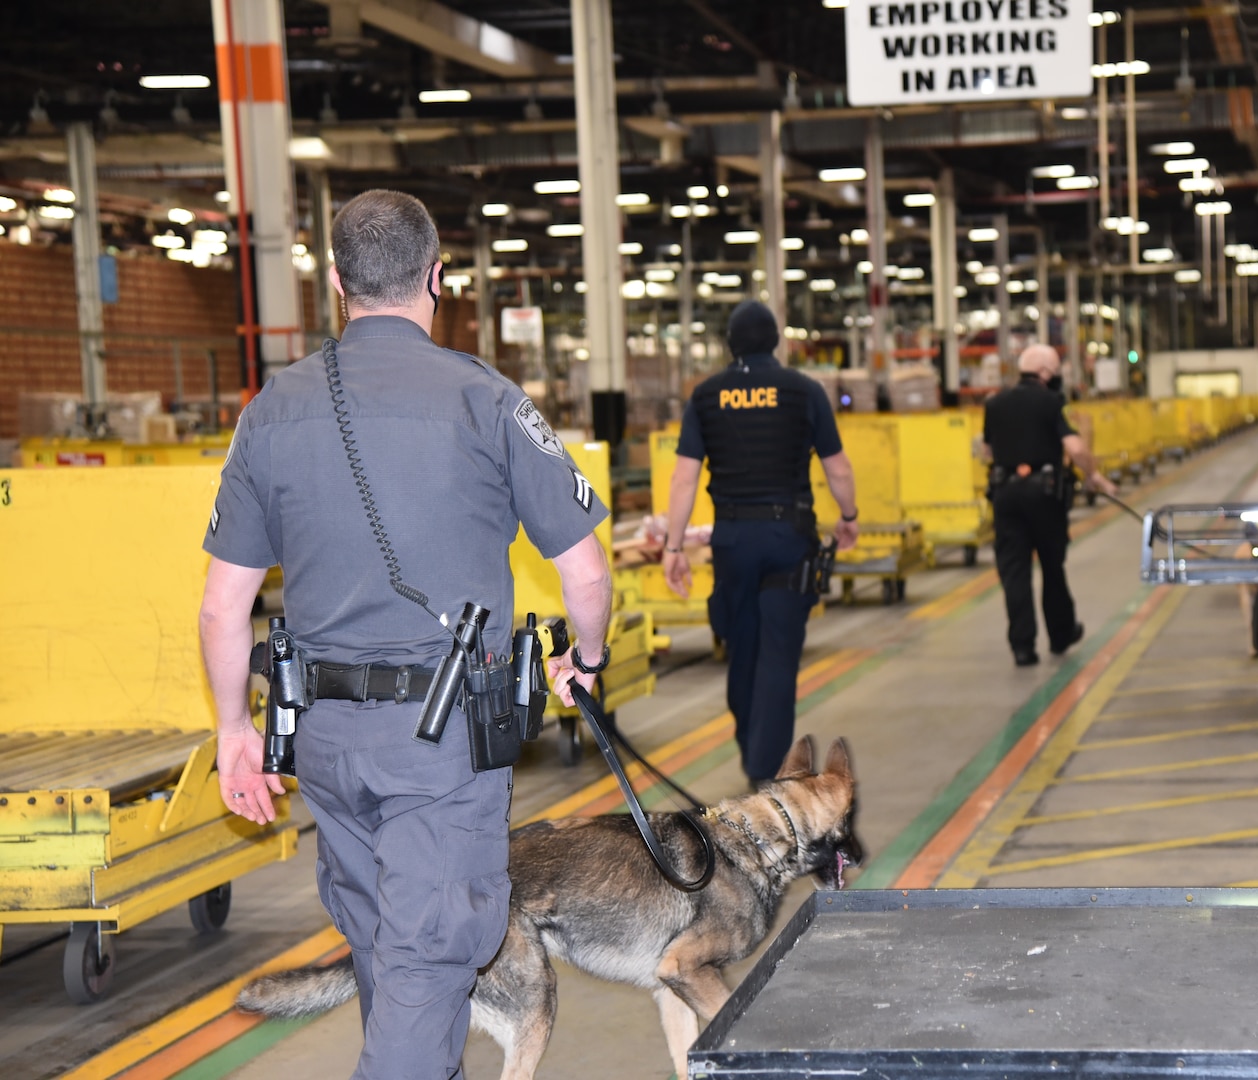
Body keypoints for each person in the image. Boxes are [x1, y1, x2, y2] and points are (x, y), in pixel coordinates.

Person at [197, 189, 613, 1080]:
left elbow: (221, 605)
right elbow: (584, 570)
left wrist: (236, 730)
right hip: (441, 748)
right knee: (425, 967)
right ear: (437, 276)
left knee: (388, 955)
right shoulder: (488, 401)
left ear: (338, 284)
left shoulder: (271, 410)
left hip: (327, 745)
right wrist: (587, 656)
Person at [662, 300, 858, 787]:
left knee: (743, 649)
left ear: (731, 344)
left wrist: (672, 547)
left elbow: (684, 480)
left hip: (733, 539)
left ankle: (755, 751)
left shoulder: (706, 396)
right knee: (779, 656)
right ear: (776, 340)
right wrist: (848, 517)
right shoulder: (804, 391)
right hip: (789, 537)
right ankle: (764, 769)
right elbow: (838, 467)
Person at [982, 344, 1117, 667]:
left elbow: (987, 451)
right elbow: (1075, 445)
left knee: (1014, 572)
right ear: (1045, 373)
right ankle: (1060, 633)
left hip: (1005, 494)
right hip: (1044, 496)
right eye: (1055, 373)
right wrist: (1093, 475)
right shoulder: (1052, 402)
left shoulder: (995, 403)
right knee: (1052, 567)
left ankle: (1023, 647)